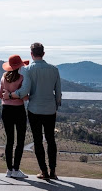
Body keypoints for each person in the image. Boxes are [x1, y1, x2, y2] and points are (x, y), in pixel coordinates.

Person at [9, 42, 62, 180]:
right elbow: (58, 92)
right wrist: (55, 105)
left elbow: (25, 90)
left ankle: (43, 171)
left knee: (38, 141)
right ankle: (53, 171)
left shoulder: (27, 69)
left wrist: (11, 95)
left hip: (34, 109)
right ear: (43, 54)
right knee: (51, 140)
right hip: (50, 109)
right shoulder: (54, 69)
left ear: (31, 54)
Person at [0, 54, 29, 178]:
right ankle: (16, 169)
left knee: (9, 141)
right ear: (20, 66)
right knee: (20, 140)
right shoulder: (22, 78)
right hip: (19, 110)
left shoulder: (3, 77)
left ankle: (9, 170)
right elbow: (25, 96)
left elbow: (1, 95)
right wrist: (16, 95)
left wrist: (8, 94)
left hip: (6, 109)